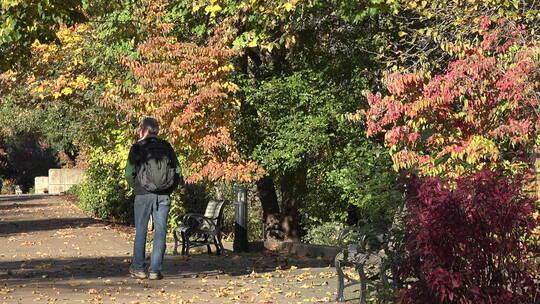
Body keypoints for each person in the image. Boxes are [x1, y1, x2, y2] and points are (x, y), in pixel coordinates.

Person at [125, 117, 183, 280]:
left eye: (139, 128)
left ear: (144, 129)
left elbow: (129, 173)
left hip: (143, 195)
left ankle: (139, 268)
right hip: (163, 195)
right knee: (161, 231)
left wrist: (136, 186)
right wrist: (169, 188)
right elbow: (177, 170)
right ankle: (155, 270)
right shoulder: (166, 146)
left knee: (141, 230)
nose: (138, 131)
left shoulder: (137, 147)